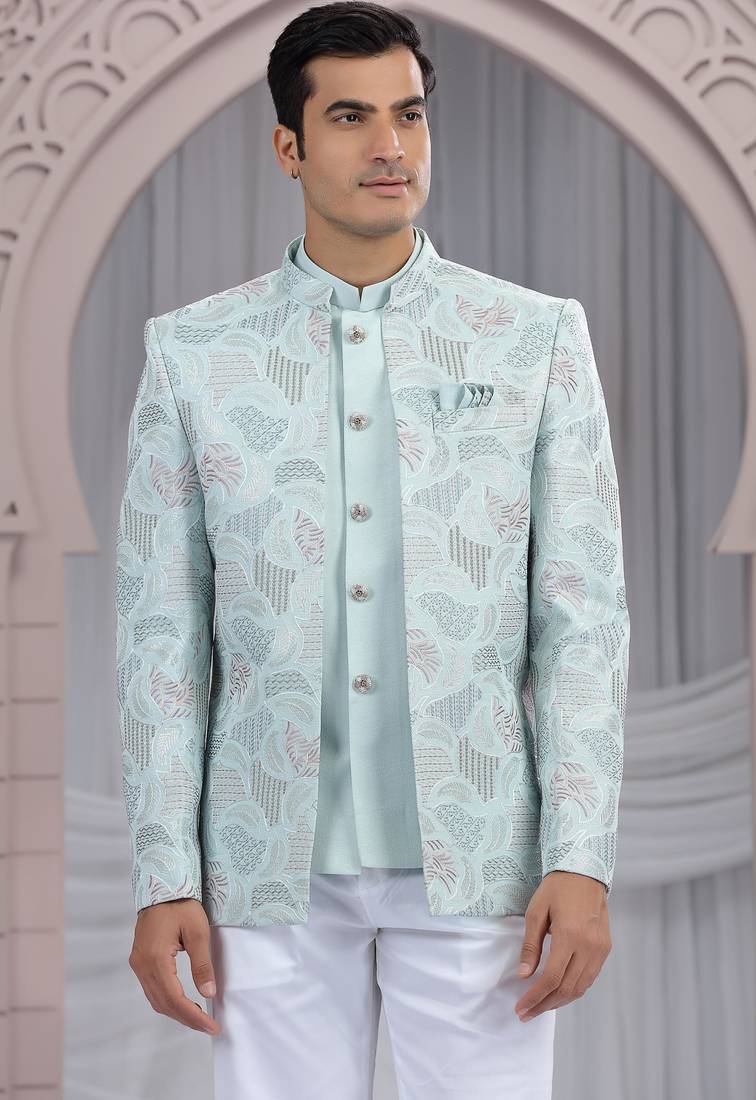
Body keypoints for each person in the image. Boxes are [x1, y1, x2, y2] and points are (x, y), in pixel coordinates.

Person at [115, 3, 631, 1097]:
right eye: (350, 117)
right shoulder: (192, 355)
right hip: (263, 867)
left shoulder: (533, 339)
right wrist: (164, 874)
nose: (391, 145)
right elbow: (161, 638)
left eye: (409, 115)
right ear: (289, 146)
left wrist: (580, 855)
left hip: (481, 860)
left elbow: (581, 623)